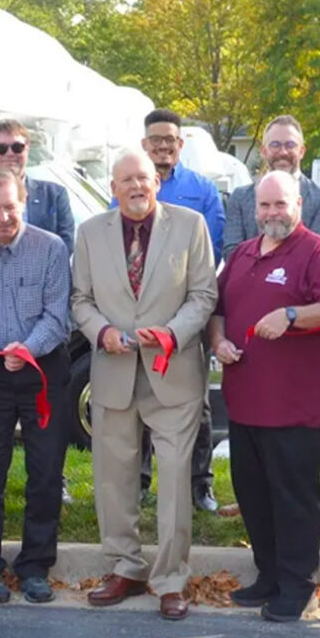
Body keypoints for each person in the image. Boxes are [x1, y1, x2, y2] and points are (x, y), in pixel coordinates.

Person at [71, 148, 217, 621]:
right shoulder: (90, 233)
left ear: (157, 182)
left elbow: (204, 295)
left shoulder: (191, 226)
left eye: (143, 178)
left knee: (174, 481)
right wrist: (101, 333)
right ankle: (125, 567)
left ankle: (171, 579)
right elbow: (80, 299)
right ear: (113, 188)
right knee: (113, 478)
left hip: (172, 372)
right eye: (126, 180)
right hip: (113, 371)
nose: (136, 186)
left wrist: (173, 333)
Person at [209, 171, 320, 622]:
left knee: (293, 499)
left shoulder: (318, 253)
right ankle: (268, 575)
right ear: (255, 210)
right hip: (246, 399)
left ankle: (297, 585)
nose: (272, 213)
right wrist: (218, 342)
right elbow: (219, 309)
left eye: (281, 204)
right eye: (265, 205)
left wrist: (290, 314)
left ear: (298, 206)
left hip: (295, 405)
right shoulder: (243, 254)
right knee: (253, 494)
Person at [0, 170, 72, 605]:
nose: (3, 216)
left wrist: (27, 349)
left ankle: (35, 566)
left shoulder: (51, 248)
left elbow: (57, 316)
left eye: (10, 207)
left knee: (45, 472)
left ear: (23, 203)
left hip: (42, 372)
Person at [132, 108, 225, 512]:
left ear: (180, 144)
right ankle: (139, 480)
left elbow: (211, 250)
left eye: (170, 139)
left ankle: (199, 484)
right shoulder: (132, 185)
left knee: (194, 400)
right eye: (156, 140)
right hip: (138, 309)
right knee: (140, 395)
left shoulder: (202, 191)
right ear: (144, 144)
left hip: (187, 311)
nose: (163, 146)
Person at [0, 118, 74, 253]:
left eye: (17, 147)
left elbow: (65, 246)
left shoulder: (55, 194)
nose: (10, 153)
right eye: (1, 149)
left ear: (27, 148)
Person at [224, 115, 320, 258]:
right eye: (275, 145)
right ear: (264, 151)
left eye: (290, 145)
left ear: (301, 151)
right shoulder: (240, 197)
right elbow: (232, 253)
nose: (283, 152)